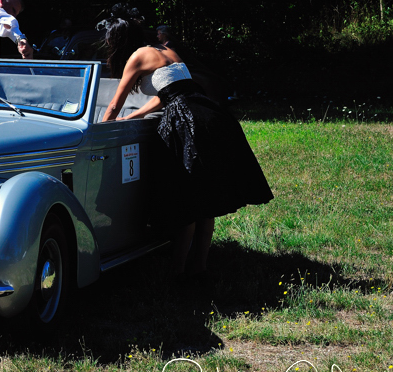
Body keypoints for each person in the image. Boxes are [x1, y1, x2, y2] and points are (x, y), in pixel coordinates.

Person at [101, 16, 273, 276]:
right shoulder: (167, 50)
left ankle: (178, 271)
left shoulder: (137, 56)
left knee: (186, 202)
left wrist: (100, 130)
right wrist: (132, 117)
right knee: (205, 200)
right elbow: (168, 93)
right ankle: (199, 267)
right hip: (210, 114)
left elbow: (114, 104)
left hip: (185, 120)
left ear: (119, 40)